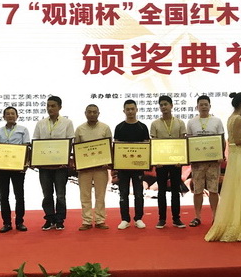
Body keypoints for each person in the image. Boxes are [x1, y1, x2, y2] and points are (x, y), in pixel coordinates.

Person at [205, 92, 241, 242]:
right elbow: (237, 140)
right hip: (240, 156)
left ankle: (240, 223)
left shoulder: (232, 117)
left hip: (238, 156)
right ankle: (239, 225)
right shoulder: (237, 119)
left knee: (240, 188)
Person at [33, 96, 74, 231]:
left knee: (60, 194)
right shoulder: (40, 123)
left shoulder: (67, 123)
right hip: (44, 166)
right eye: (48, 106)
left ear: (59, 107)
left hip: (60, 166)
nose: (50, 108)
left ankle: (60, 220)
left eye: (53, 106)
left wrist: (65, 159)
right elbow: (36, 142)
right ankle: (49, 219)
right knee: (47, 194)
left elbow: (70, 142)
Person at [186, 95, 224, 227]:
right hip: (197, 162)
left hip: (213, 161)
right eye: (201, 105)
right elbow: (188, 141)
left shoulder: (217, 121)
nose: (203, 107)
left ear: (210, 106)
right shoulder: (191, 122)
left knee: (213, 190)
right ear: (197, 107)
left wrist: (221, 155)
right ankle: (197, 216)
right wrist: (190, 157)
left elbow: (221, 140)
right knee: (197, 190)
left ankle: (215, 216)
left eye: (206, 104)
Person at [150, 95, 187, 229]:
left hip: (176, 161)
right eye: (161, 105)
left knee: (175, 190)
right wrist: (156, 161)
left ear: (171, 106)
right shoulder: (155, 124)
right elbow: (154, 143)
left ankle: (176, 218)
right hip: (161, 162)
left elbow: (182, 142)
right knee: (161, 191)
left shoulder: (180, 123)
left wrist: (181, 159)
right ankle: (162, 219)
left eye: (166, 104)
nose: (163, 107)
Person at [0, 106, 31, 233]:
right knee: (3, 196)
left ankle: (20, 222)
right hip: (2, 168)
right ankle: (6, 223)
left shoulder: (23, 130)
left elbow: (26, 147)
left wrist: (25, 165)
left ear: (17, 116)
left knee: (19, 195)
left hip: (17, 168)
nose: (10, 116)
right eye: (7, 114)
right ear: (3, 117)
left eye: (12, 113)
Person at [74, 104, 112, 231]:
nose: (92, 114)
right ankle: (87, 220)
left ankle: (100, 220)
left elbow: (109, 147)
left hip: (101, 168)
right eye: (89, 112)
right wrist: (78, 164)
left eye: (94, 112)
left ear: (98, 114)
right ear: (85, 113)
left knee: (100, 195)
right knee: (85, 195)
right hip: (84, 168)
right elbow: (76, 148)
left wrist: (108, 160)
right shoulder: (79, 129)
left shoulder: (105, 128)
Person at [114, 99, 150, 230]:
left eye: (132, 109)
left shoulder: (142, 127)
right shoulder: (119, 127)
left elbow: (146, 146)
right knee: (123, 193)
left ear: (136, 110)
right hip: (123, 167)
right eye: (127, 109)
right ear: (124, 111)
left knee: (139, 193)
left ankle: (138, 218)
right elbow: (116, 146)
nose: (130, 111)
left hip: (138, 167)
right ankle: (125, 219)